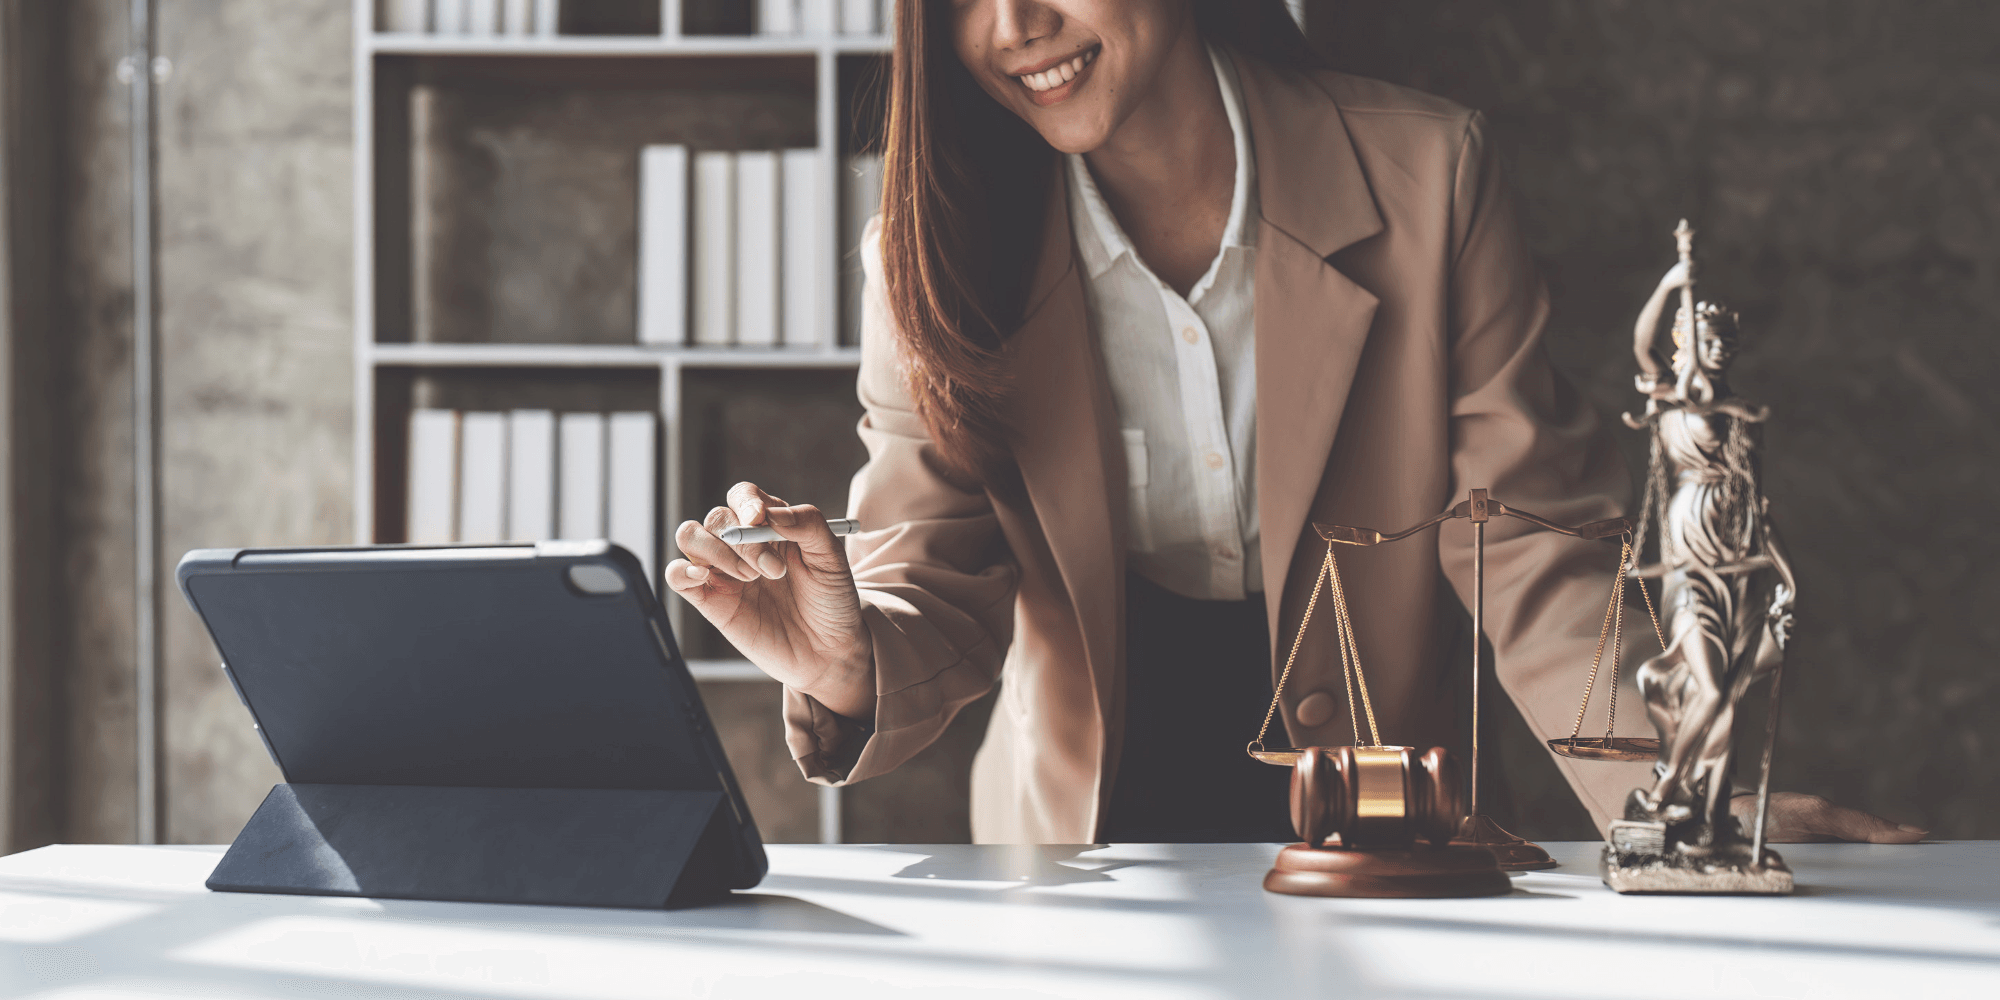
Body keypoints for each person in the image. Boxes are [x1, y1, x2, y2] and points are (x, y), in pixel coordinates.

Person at [666, 0, 1922, 845]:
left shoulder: (1427, 172)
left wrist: (1679, 803)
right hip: (1082, 851)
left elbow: (1531, 540)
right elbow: (932, 569)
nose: (1013, 29)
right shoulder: (926, 250)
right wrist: (843, 661)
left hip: (1384, 835)